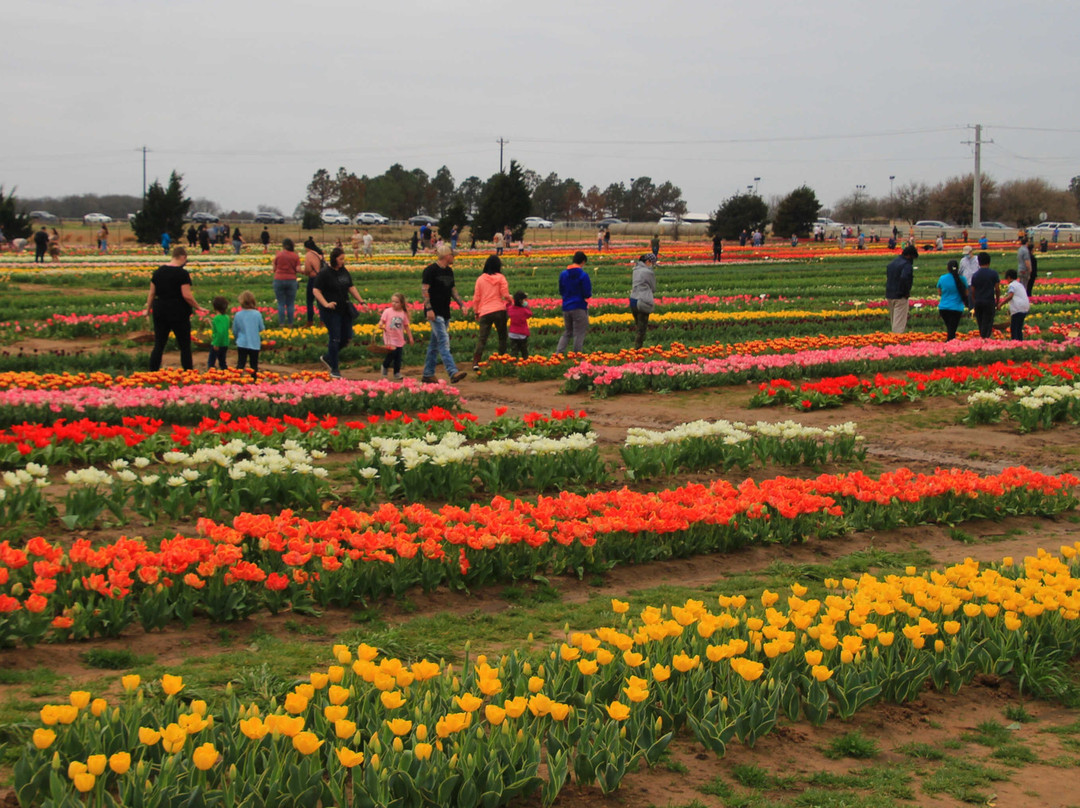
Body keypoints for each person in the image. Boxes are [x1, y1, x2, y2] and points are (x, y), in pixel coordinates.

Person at [147, 246, 207, 371]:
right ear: (183, 257)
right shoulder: (182, 274)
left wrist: (148, 310)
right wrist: (198, 307)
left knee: (159, 344)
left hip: (160, 310)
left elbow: (152, 293)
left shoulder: (158, 271)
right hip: (178, 311)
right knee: (184, 345)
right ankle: (188, 372)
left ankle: (152, 371)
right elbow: (186, 295)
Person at [312, 246, 364, 379]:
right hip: (331, 311)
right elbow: (316, 290)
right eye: (341, 259)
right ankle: (334, 368)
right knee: (335, 338)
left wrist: (361, 301)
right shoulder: (324, 273)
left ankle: (329, 357)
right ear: (334, 259)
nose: (343, 261)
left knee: (347, 337)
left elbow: (350, 287)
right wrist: (326, 304)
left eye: (343, 259)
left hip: (344, 308)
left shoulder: (343, 270)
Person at [420, 243, 468, 383]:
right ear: (447, 256)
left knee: (434, 344)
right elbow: (425, 291)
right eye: (452, 255)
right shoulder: (430, 270)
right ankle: (452, 372)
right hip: (434, 312)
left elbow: (453, 290)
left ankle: (428, 373)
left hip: (445, 311)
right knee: (443, 341)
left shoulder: (449, 271)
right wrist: (428, 309)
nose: (454, 258)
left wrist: (461, 304)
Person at [471, 254, 511, 371]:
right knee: (502, 337)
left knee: (482, 338)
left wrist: (476, 312)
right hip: (499, 310)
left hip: (485, 311)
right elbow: (505, 294)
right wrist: (511, 301)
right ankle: (502, 359)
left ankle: (476, 362)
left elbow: (476, 298)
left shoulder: (480, 279)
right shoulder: (501, 278)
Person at [555, 251, 592, 354]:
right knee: (579, 332)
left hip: (566, 306)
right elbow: (587, 293)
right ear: (583, 261)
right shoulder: (583, 275)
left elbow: (561, 290)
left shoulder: (563, 274)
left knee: (568, 332)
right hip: (579, 306)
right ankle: (576, 355)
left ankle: (559, 353)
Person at [378, 292, 414, 380]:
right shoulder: (387, 311)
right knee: (392, 353)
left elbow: (406, 327)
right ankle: (385, 365)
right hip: (389, 337)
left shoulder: (403, 314)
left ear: (402, 303)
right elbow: (382, 320)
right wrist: (380, 324)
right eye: (392, 301)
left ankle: (397, 372)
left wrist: (410, 337)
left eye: (396, 302)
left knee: (398, 356)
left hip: (399, 338)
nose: (394, 303)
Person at [885, 245, 917, 333]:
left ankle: (893, 339)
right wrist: (905, 292)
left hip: (890, 293)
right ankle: (897, 342)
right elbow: (904, 277)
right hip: (900, 295)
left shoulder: (893, 263)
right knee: (899, 322)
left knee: (894, 320)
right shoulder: (906, 265)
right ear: (909, 255)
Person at [233, 290, 265, 378]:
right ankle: (254, 380)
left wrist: (236, 338)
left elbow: (235, 330)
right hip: (254, 342)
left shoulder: (238, 315)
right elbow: (261, 328)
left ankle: (237, 380)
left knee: (241, 363)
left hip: (242, 342)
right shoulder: (257, 314)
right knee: (254, 364)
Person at [629, 253, 657, 349]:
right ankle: (637, 350)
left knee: (638, 326)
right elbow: (653, 288)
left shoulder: (635, 270)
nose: (652, 266)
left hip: (633, 299)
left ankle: (637, 348)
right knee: (642, 329)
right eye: (652, 263)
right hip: (642, 301)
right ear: (648, 262)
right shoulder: (648, 272)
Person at [969, 252, 1000, 339]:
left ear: (979, 262)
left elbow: (972, 291)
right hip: (989, 301)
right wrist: (997, 301)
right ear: (989, 262)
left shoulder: (975, 275)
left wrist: (975, 301)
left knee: (981, 322)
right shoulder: (993, 274)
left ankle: (982, 339)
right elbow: (997, 289)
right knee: (988, 322)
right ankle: (985, 339)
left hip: (978, 301)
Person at [937, 260, 968, 342]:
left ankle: (950, 345)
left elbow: (940, 293)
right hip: (956, 308)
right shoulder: (962, 279)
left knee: (950, 328)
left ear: (947, 268)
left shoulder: (942, 278)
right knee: (952, 329)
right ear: (957, 268)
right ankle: (951, 346)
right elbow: (966, 293)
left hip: (943, 308)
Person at [272, 238, 301, 326]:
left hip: (279, 279)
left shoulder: (278, 255)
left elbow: (274, 269)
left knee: (280, 303)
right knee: (290, 303)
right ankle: (290, 324)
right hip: (291, 280)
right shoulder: (295, 256)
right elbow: (298, 269)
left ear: (283, 246)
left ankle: (281, 324)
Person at [998, 269, 1030, 341]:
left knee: (1014, 329)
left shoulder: (1011, 285)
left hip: (1018, 309)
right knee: (1018, 328)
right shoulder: (1019, 284)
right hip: (1024, 308)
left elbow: (1010, 296)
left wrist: (1000, 304)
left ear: (1009, 277)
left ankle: (1015, 343)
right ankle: (1020, 342)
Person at [302, 238, 323, 326]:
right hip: (321, 278)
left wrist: (303, 272)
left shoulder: (309, 254)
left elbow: (307, 269)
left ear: (307, 247)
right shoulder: (319, 254)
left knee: (310, 301)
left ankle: (310, 321)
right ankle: (322, 321)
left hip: (313, 279)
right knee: (320, 301)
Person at [207, 296, 230, 370]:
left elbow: (220, 332)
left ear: (214, 307)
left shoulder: (217, 318)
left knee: (211, 362)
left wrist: (216, 343)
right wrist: (210, 322)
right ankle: (225, 374)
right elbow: (218, 329)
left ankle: (211, 376)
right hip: (225, 343)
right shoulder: (226, 317)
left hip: (217, 344)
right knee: (222, 362)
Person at [507, 291, 532, 359]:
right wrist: (526, 306)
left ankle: (513, 362)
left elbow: (507, 306)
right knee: (524, 351)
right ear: (521, 301)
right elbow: (530, 314)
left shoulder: (511, 309)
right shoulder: (524, 311)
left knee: (514, 351)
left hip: (512, 333)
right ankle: (525, 362)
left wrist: (509, 301)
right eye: (524, 300)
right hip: (522, 334)